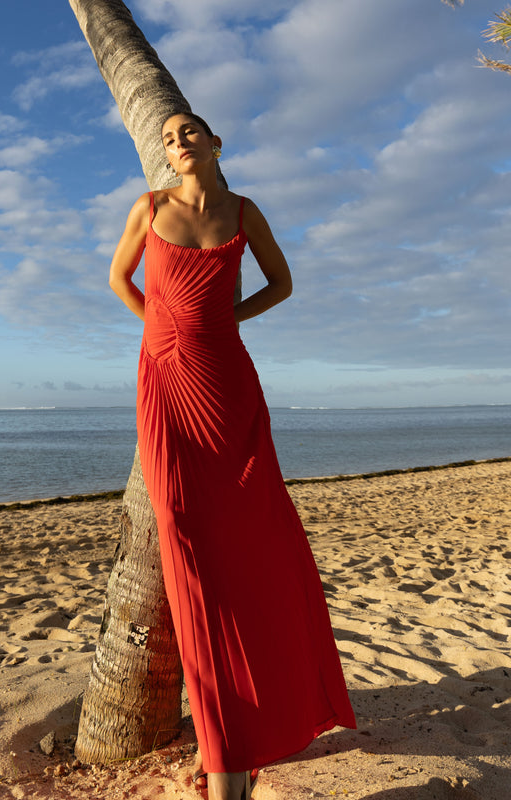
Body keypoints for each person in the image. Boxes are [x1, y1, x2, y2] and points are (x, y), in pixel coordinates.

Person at [109, 112, 356, 800]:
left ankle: (243, 740)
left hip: (228, 387)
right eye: (168, 138)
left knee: (254, 541)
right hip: (166, 382)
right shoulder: (148, 208)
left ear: (215, 144)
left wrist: (224, 322)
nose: (178, 143)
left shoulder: (244, 212)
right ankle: (225, 745)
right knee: (183, 537)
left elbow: (282, 283)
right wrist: (164, 329)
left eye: (189, 132)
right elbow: (119, 280)